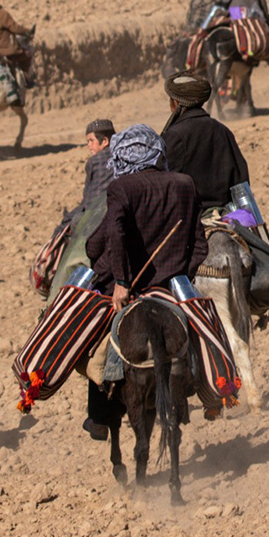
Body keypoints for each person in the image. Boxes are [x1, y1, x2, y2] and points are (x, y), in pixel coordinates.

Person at [80, 125, 207, 440]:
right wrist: (180, 276)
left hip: (130, 286)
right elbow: (200, 245)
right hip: (174, 285)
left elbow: (109, 238)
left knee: (95, 333)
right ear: (157, 151)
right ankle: (213, 386)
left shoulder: (121, 187)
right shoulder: (185, 183)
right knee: (208, 328)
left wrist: (121, 281)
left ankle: (100, 415)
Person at [160, 72, 250, 212]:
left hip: (190, 217)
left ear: (175, 103)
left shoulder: (174, 136)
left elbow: (161, 183)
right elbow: (240, 179)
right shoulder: (222, 130)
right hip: (227, 215)